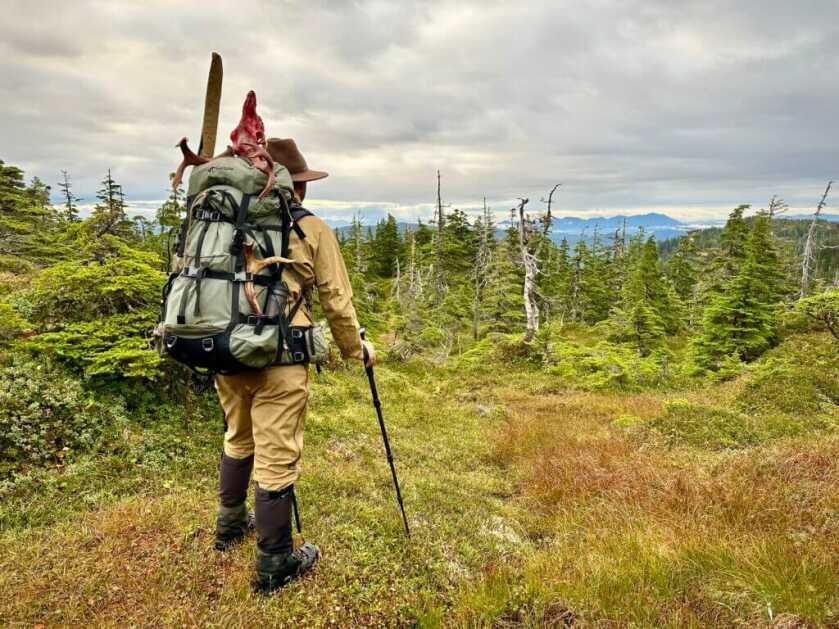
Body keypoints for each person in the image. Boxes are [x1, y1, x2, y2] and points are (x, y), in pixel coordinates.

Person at [212, 137, 375, 593]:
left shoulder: (226, 223)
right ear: (292, 185)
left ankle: (228, 527)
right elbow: (337, 302)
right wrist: (355, 349)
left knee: (238, 435)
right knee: (278, 451)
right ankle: (274, 562)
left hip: (224, 347)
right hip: (281, 356)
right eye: (301, 182)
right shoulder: (311, 229)